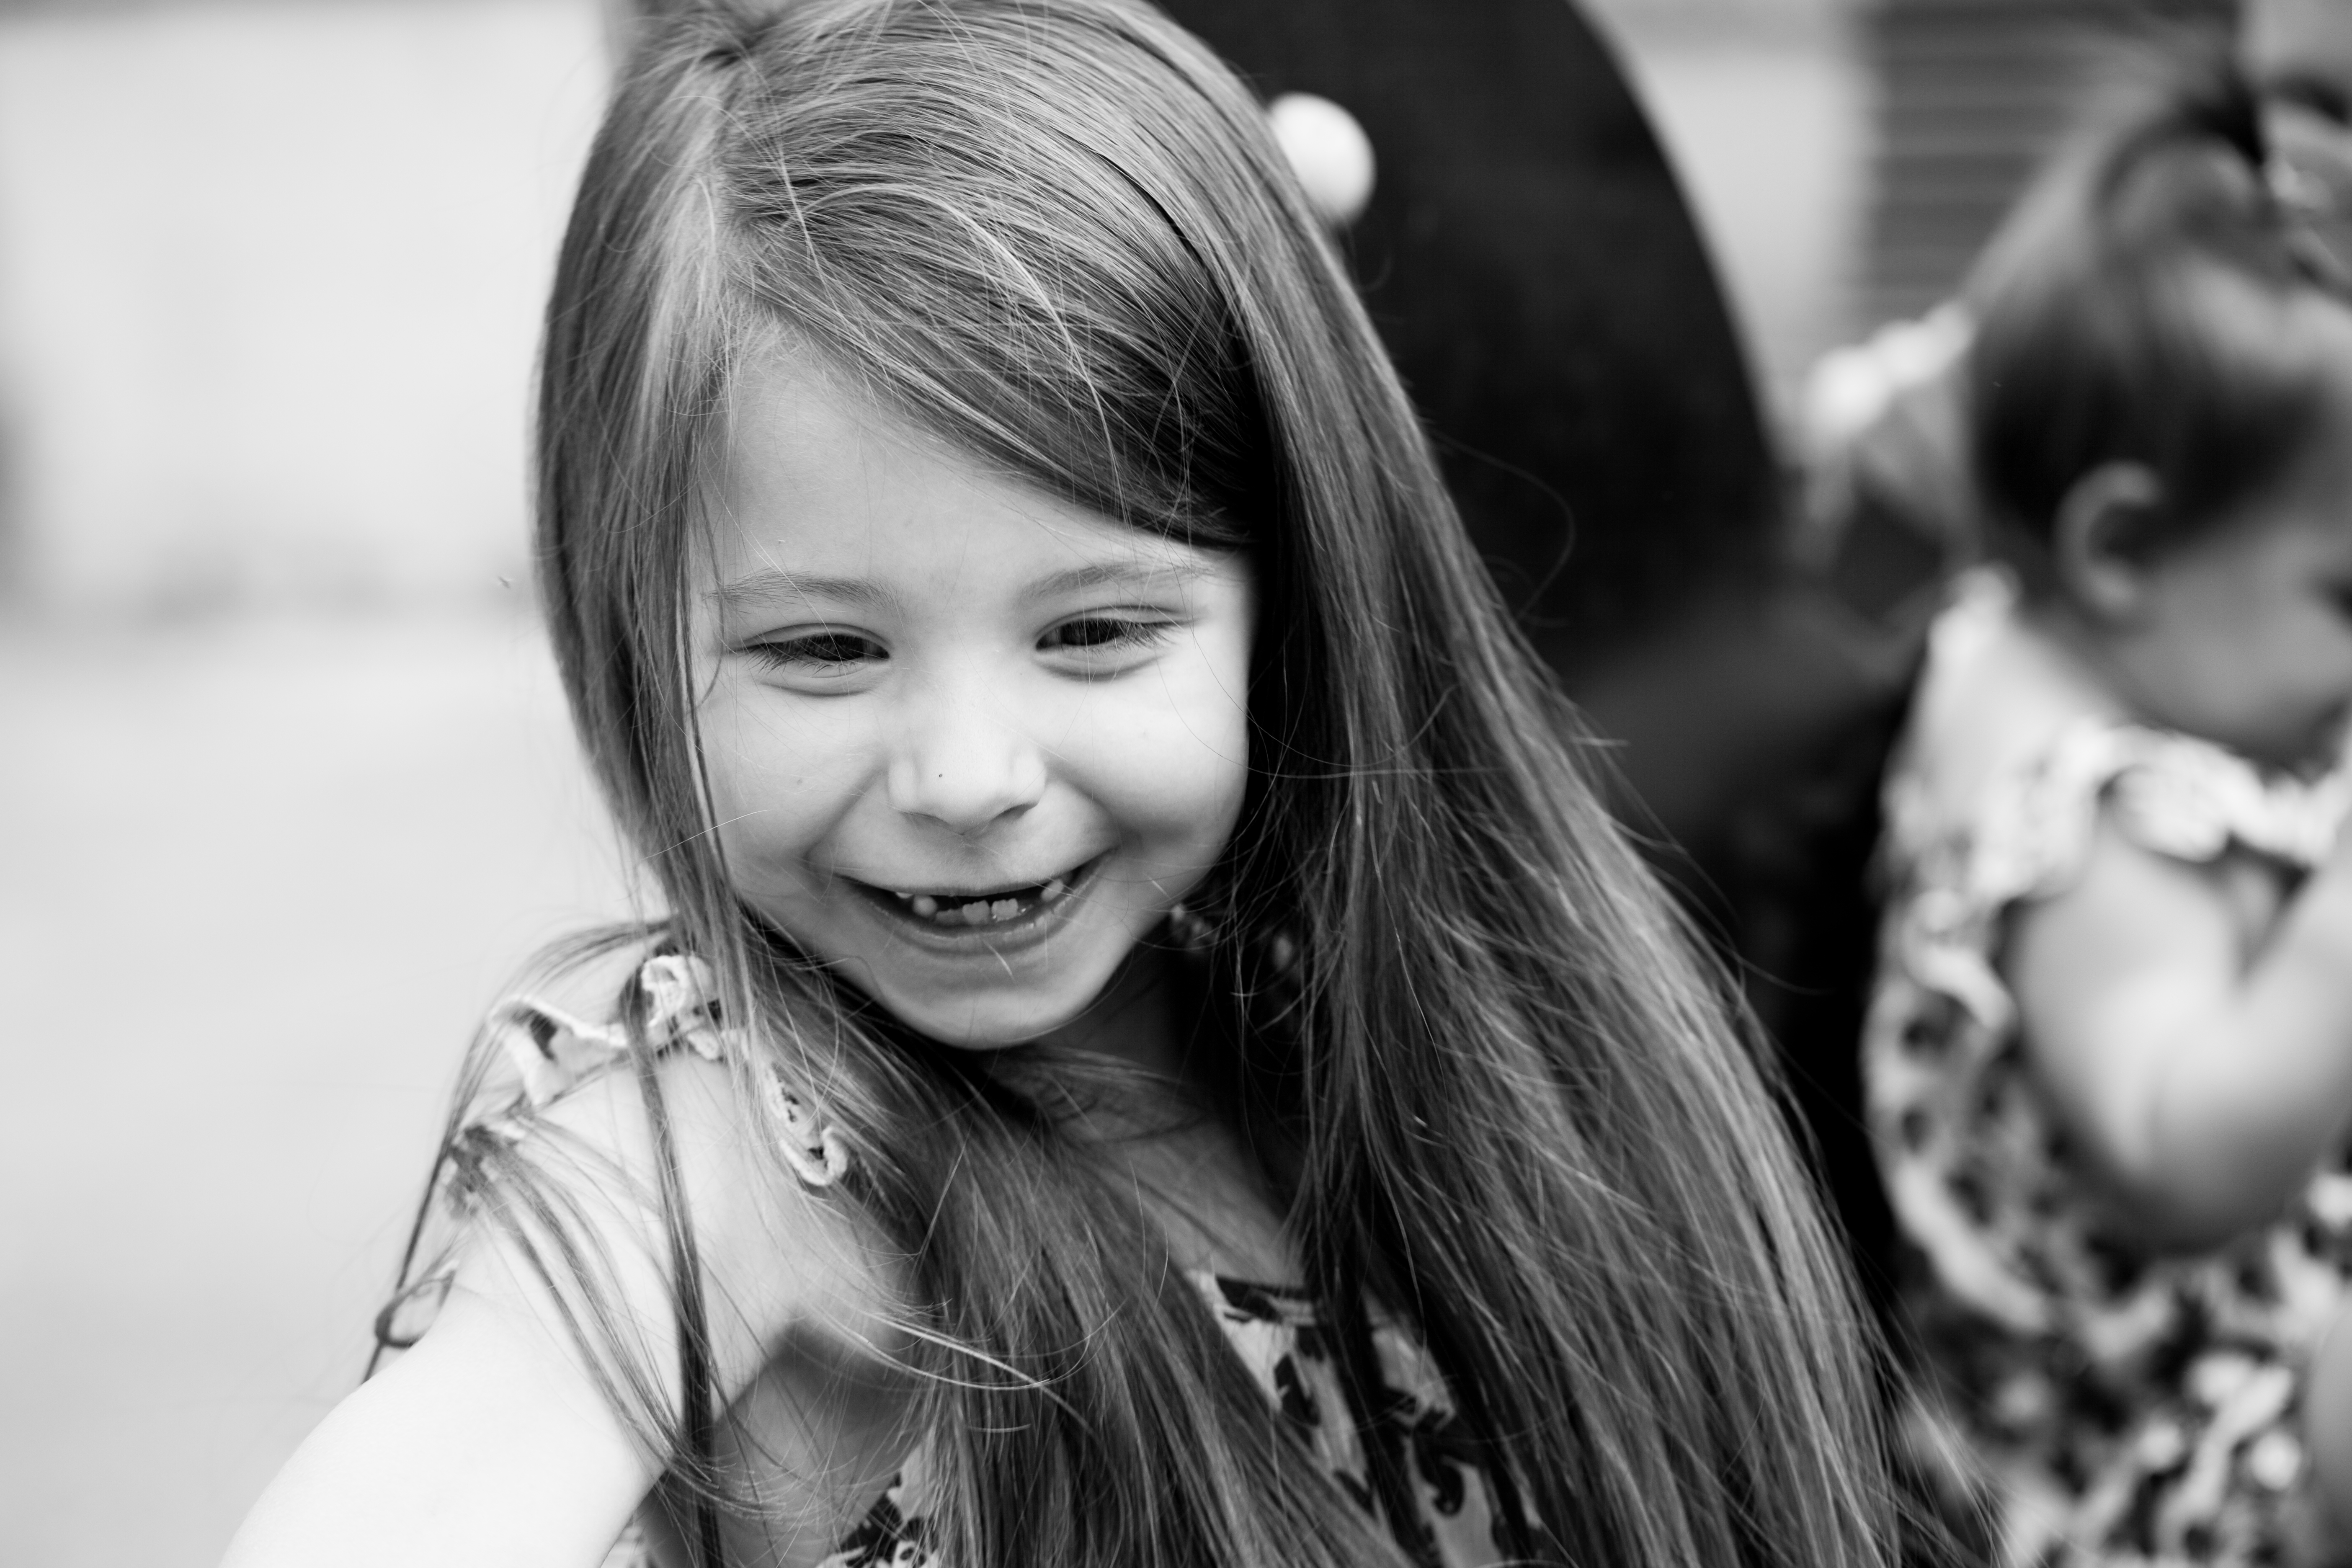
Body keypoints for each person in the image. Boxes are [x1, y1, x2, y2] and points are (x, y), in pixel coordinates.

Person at [220, 3, 1894, 1565]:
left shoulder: (1413, 1036)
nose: (967, 776)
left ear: (1294, 605)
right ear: (632, 633)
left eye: (1092, 631)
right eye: (822, 652)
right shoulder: (735, 1148)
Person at [1863, 54, 2352, 1567]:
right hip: (2168, 1472)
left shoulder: (1998, 657)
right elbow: (2178, 1154)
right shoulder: (2098, 821)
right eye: (2349, 598)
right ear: (2125, 546)